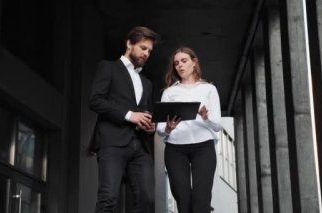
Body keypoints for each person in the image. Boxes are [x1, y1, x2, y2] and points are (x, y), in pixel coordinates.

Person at [89, 26, 159, 213]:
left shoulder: (147, 82)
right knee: (108, 198)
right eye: (143, 48)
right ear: (129, 43)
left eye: (149, 51)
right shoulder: (108, 67)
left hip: (140, 146)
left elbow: (147, 112)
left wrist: (150, 125)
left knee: (148, 199)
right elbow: (95, 100)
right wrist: (129, 115)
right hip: (112, 142)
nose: (146, 53)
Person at [156, 46, 222, 213]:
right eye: (176, 63)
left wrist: (205, 117)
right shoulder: (169, 92)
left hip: (203, 147)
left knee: (201, 201)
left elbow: (218, 126)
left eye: (184, 61)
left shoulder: (209, 89)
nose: (180, 65)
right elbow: (160, 128)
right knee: (183, 201)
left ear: (194, 62)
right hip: (175, 149)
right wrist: (169, 128)